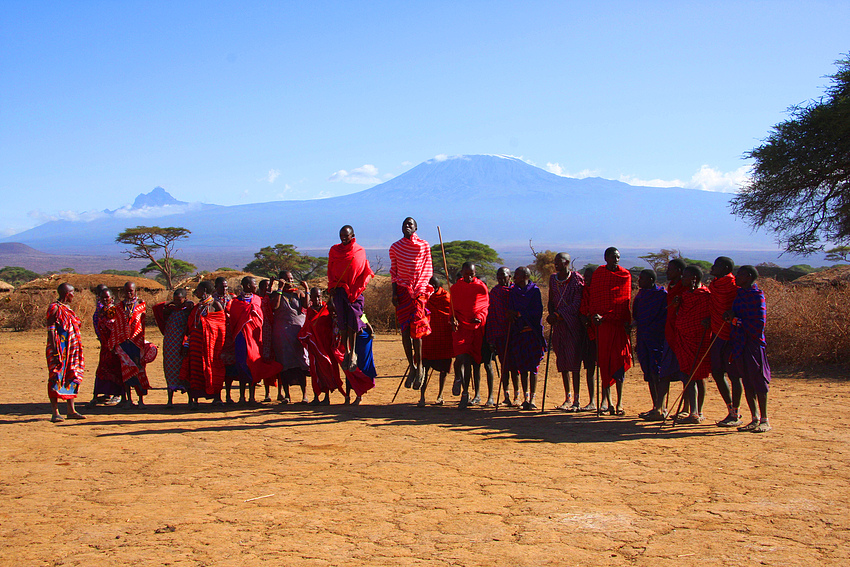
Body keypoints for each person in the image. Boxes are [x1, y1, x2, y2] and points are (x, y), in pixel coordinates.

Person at [724, 265, 772, 433]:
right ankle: (754, 418)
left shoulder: (757, 296)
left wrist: (735, 321)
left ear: (750, 276)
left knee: (758, 380)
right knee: (747, 381)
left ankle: (765, 419)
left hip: (753, 344)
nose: (736, 277)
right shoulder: (740, 295)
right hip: (739, 343)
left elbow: (758, 325)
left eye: (740, 275)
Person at [584, 248, 632, 415]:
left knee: (618, 363)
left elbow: (624, 301)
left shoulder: (625, 275)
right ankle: (609, 403)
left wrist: (624, 320)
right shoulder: (599, 274)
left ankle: (619, 403)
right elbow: (595, 299)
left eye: (618, 257)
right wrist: (595, 316)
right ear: (606, 258)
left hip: (618, 326)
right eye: (613, 257)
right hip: (602, 327)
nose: (616, 259)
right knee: (604, 363)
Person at [389, 217, 434, 389]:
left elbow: (427, 268)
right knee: (405, 330)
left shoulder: (424, 246)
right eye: (404, 224)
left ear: (416, 227)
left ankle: (420, 366)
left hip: (419, 292)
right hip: (402, 291)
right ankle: (412, 366)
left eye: (410, 224)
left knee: (417, 330)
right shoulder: (395, 248)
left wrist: (420, 288)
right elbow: (394, 271)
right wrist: (394, 293)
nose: (407, 227)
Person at [643, 258, 687, 420]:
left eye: (671, 269)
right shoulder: (672, 288)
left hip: (683, 336)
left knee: (686, 373)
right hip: (669, 335)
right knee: (664, 373)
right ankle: (660, 408)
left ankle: (687, 408)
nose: (667, 272)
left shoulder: (686, 289)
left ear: (680, 272)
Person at [228, 276, 283, 404]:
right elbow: (234, 321)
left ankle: (252, 396)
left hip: (256, 338)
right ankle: (242, 397)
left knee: (254, 364)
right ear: (247, 285)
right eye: (254, 284)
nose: (255, 286)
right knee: (242, 365)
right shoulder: (236, 302)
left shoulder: (258, 299)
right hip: (241, 338)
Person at [328, 225, 374, 372]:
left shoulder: (359, 251)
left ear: (352, 235)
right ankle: (347, 351)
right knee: (342, 322)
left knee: (353, 321)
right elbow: (330, 269)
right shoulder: (334, 250)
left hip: (354, 291)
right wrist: (332, 286)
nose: (343, 238)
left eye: (346, 235)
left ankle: (353, 352)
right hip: (339, 290)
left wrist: (355, 288)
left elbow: (362, 270)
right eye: (341, 235)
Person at [673, 266, 712, 424]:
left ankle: (697, 412)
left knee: (698, 375)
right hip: (684, 339)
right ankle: (693, 412)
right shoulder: (684, 296)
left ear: (694, 278)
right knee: (689, 375)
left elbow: (712, 315)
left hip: (699, 340)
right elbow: (679, 316)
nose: (682, 279)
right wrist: (677, 306)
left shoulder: (705, 296)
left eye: (686, 276)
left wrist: (707, 322)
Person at [707, 256, 744, 427]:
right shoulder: (714, 285)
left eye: (716, 266)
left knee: (734, 375)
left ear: (726, 267)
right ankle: (730, 408)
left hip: (732, 335)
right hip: (716, 332)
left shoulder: (734, 286)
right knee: (717, 373)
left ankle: (735, 412)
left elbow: (740, 308)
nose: (712, 268)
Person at [547, 253, 585, 411]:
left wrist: (559, 314)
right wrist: (552, 314)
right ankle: (567, 397)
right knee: (562, 362)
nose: (556, 264)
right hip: (559, 327)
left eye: (559, 262)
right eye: (555, 262)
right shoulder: (553, 279)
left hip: (572, 325)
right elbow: (551, 300)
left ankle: (576, 399)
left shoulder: (576, 279)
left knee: (574, 362)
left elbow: (577, 303)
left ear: (567, 262)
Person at [450, 262, 489, 409]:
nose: (469, 276)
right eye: (466, 274)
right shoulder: (455, 288)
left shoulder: (481, 287)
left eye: (471, 274)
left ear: (475, 273)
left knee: (469, 362)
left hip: (475, 328)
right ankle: (458, 378)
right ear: (462, 272)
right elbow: (451, 308)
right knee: (461, 357)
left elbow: (484, 306)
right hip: (460, 328)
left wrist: (480, 317)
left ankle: (465, 394)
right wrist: (452, 318)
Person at [182, 281, 227, 408]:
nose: (197, 292)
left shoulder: (215, 305)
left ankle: (217, 398)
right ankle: (193, 399)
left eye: (199, 290)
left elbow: (221, 326)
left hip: (211, 346)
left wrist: (207, 327)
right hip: (195, 346)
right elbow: (190, 327)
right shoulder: (197, 307)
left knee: (213, 369)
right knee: (194, 370)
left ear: (205, 291)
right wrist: (187, 344)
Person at [507, 266, 546, 410]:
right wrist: (513, 316)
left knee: (533, 368)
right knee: (522, 368)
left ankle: (533, 398)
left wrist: (520, 314)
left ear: (524, 277)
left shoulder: (534, 291)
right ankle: (525, 397)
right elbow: (510, 310)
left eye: (516, 275)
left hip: (532, 334)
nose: (513, 278)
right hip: (519, 333)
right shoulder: (513, 292)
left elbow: (537, 312)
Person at [45, 283, 85, 422]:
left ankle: (71, 410)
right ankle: (55, 412)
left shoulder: (67, 309)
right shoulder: (54, 308)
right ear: (67, 294)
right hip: (59, 349)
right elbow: (51, 329)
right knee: (56, 376)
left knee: (72, 376)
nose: (74, 296)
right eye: (73, 292)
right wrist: (55, 351)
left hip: (72, 351)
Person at [299, 288, 345, 405]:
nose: (317, 299)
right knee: (315, 371)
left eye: (319, 297)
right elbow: (306, 327)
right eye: (314, 297)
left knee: (327, 369)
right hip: (315, 347)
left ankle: (327, 397)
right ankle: (316, 396)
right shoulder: (309, 311)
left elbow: (336, 319)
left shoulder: (327, 309)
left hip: (326, 345)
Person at [270, 271, 310, 404]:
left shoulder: (298, 293)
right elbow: (274, 307)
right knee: (284, 363)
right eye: (287, 278)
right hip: (282, 333)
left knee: (300, 362)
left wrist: (307, 289)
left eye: (291, 278)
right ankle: (286, 395)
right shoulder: (277, 294)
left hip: (297, 332)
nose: (290, 280)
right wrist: (280, 289)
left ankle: (304, 395)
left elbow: (306, 306)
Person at [110, 281, 153, 407]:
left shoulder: (140, 305)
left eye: (131, 291)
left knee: (139, 370)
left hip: (137, 343)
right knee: (126, 371)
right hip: (124, 343)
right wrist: (114, 343)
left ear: (135, 291)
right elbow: (116, 326)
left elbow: (142, 324)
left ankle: (141, 400)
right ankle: (129, 399)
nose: (129, 293)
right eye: (127, 291)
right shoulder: (118, 307)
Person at [631, 269, 667, 418]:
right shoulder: (641, 295)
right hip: (643, 337)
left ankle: (661, 407)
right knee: (649, 373)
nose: (639, 281)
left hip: (656, 339)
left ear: (651, 280)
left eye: (642, 279)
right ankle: (655, 406)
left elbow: (664, 317)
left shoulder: (661, 295)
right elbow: (637, 315)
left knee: (657, 372)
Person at [153, 288, 193, 406]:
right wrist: (169, 303)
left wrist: (188, 304)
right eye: (174, 300)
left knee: (185, 370)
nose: (176, 302)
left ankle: (190, 400)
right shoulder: (170, 310)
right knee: (170, 371)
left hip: (183, 346)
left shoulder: (188, 311)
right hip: (170, 347)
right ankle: (170, 400)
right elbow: (156, 308)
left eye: (179, 300)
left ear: (185, 299)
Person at [485, 267, 519, 407]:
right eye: (498, 276)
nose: (500, 278)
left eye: (503, 276)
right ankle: (506, 396)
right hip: (499, 333)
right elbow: (491, 314)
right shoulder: (495, 292)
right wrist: (492, 338)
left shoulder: (515, 292)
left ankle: (517, 396)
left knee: (515, 366)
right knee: (504, 366)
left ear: (509, 276)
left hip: (514, 333)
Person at [419, 276, 453, 406]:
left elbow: (451, 314)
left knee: (443, 370)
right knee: (424, 369)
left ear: (438, 286)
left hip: (443, 338)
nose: (431, 288)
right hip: (428, 338)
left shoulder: (446, 297)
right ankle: (422, 397)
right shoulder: (423, 297)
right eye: (429, 285)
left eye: (433, 286)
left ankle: (440, 395)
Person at [89, 285, 122, 407]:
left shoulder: (115, 311)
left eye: (106, 298)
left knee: (116, 370)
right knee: (102, 370)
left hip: (114, 347)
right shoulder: (101, 312)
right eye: (102, 298)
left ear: (112, 298)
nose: (104, 300)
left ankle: (117, 395)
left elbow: (118, 328)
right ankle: (102, 394)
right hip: (104, 347)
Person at [213, 276, 238, 402]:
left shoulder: (232, 298)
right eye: (222, 287)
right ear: (215, 287)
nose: (224, 289)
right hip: (216, 338)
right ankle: (217, 396)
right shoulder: (211, 300)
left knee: (230, 369)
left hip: (229, 338)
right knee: (217, 368)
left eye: (226, 286)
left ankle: (228, 395)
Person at [577, 267, 598, 411]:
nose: (587, 279)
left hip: (600, 332)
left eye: (590, 276)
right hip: (586, 332)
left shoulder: (600, 292)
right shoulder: (583, 291)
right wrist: (583, 318)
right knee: (589, 368)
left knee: (602, 368)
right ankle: (592, 401)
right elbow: (580, 309)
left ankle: (605, 400)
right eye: (586, 277)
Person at [257, 279, 279, 402]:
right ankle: (267, 393)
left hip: (273, 333)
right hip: (261, 335)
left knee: (276, 361)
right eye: (266, 287)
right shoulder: (258, 300)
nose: (269, 289)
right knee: (265, 363)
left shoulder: (271, 300)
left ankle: (280, 392)